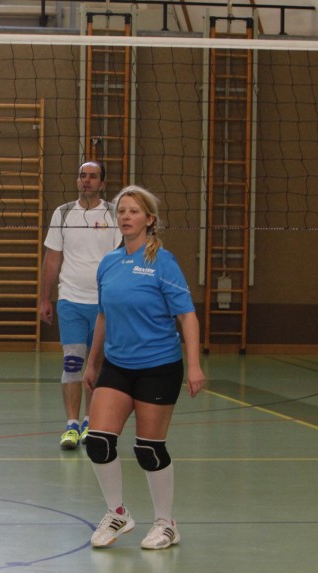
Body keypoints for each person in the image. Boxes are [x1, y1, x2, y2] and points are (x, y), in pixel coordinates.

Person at [82, 185, 205, 550]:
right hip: (117, 364)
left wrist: (194, 365)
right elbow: (103, 315)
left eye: (133, 211)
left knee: (148, 449)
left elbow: (187, 315)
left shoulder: (163, 263)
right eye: (121, 211)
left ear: (149, 220)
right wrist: (92, 362)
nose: (125, 217)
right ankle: (117, 513)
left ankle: (166, 523)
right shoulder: (109, 263)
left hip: (158, 365)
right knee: (98, 442)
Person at [38, 161, 121, 450]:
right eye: (83, 176)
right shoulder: (63, 213)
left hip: (104, 305)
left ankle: (91, 421)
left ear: (102, 183)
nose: (87, 180)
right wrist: (45, 298)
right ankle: (71, 425)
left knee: (96, 365)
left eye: (93, 176)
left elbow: (121, 257)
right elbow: (52, 258)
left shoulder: (114, 214)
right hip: (70, 300)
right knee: (72, 363)